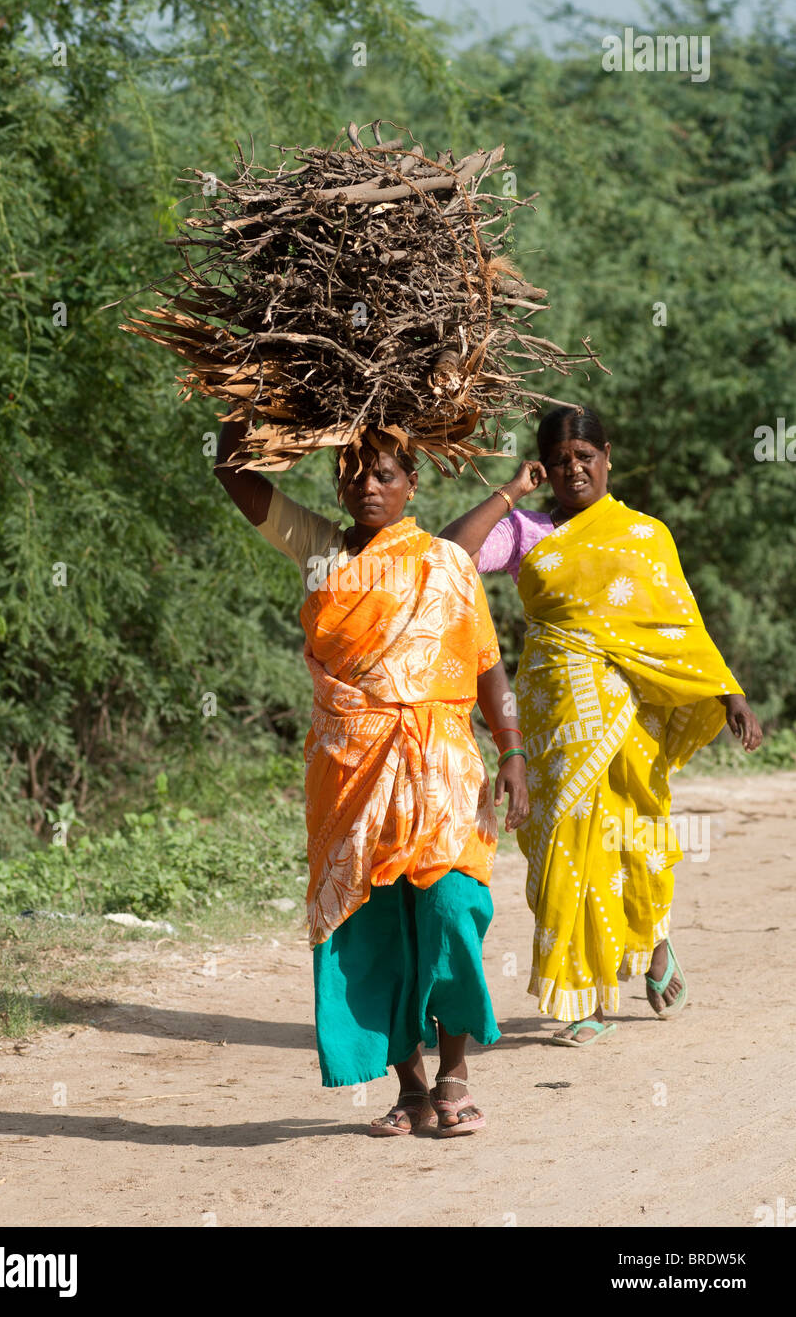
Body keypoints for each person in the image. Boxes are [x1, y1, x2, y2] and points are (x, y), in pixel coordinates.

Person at [214, 419, 530, 1131]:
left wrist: (511, 748)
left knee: (452, 908)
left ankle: (455, 1069)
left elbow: (485, 663)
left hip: (442, 765)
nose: (368, 486)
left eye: (384, 474)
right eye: (354, 474)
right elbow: (231, 473)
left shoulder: (445, 562)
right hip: (349, 769)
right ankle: (411, 1086)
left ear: (413, 483)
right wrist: (251, 400)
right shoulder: (320, 551)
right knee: (371, 923)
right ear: (337, 483)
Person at [441, 406, 762, 1044]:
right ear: (543, 466)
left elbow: (679, 624)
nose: (573, 470)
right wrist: (510, 493)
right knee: (564, 843)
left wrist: (728, 691)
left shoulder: (646, 535)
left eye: (584, 457)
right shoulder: (527, 530)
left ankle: (655, 942)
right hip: (551, 713)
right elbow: (452, 553)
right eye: (558, 461)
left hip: (627, 716)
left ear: (607, 456)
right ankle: (582, 996)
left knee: (634, 835)